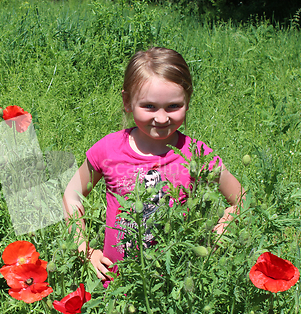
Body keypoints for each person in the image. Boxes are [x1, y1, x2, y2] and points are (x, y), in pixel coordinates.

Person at [63, 47, 243, 282]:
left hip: (176, 285)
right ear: (127, 101)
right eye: (149, 106)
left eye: (173, 106)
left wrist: (224, 227)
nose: (161, 118)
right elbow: (72, 194)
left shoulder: (197, 155)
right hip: (116, 286)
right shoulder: (108, 149)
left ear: (187, 102)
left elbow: (241, 198)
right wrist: (84, 250)